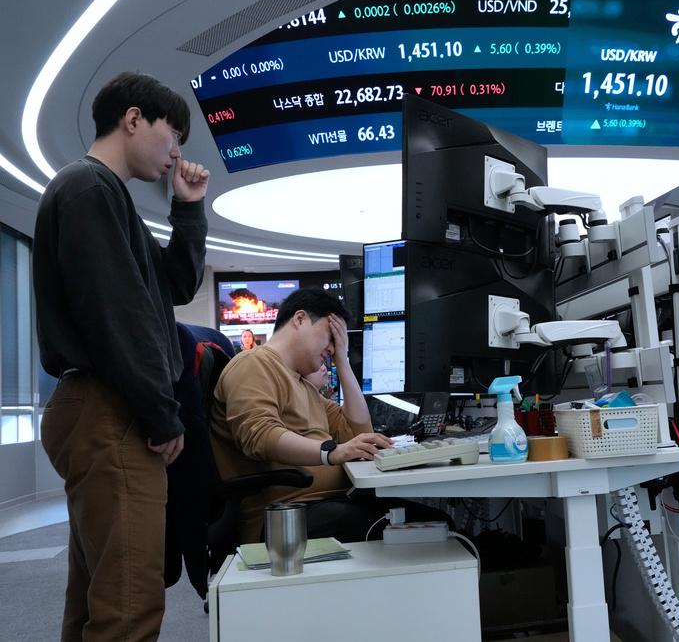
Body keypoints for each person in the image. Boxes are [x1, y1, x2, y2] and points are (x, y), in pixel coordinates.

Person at [32, 71, 209, 641]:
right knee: (128, 608)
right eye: (172, 133)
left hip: (102, 407)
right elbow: (119, 318)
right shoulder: (89, 189)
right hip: (110, 410)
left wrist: (187, 210)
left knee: (98, 602)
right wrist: (161, 414)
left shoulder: (106, 197)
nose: (177, 151)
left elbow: (172, 288)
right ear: (134, 119)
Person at [210, 288, 451, 544]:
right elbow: (258, 436)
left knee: (439, 523)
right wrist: (331, 451)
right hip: (285, 515)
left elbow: (358, 434)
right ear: (300, 319)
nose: (334, 346)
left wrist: (343, 361)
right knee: (433, 535)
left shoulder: (303, 385)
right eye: (331, 334)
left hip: (326, 504)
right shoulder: (253, 363)